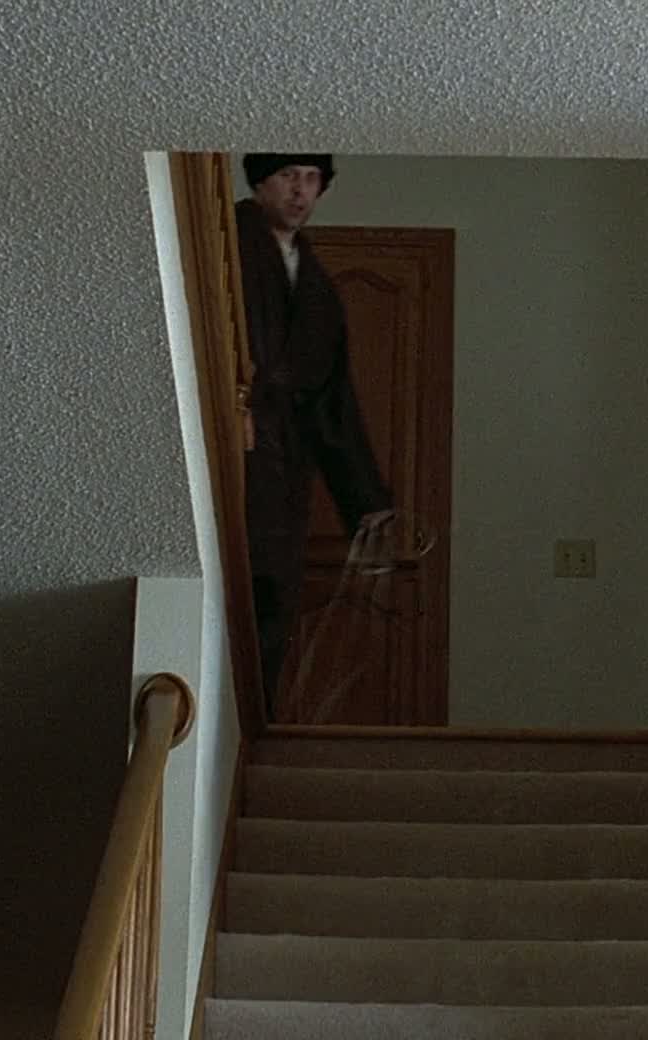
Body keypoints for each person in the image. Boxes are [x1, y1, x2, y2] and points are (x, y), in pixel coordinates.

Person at [236, 153, 393, 714]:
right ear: (261, 183)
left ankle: (256, 726)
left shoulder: (316, 283)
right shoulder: (232, 249)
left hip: (287, 461)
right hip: (244, 446)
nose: (300, 191)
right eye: (287, 177)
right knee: (242, 589)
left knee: (275, 594)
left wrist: (365, 498)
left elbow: (332, 398)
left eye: (311, 179)